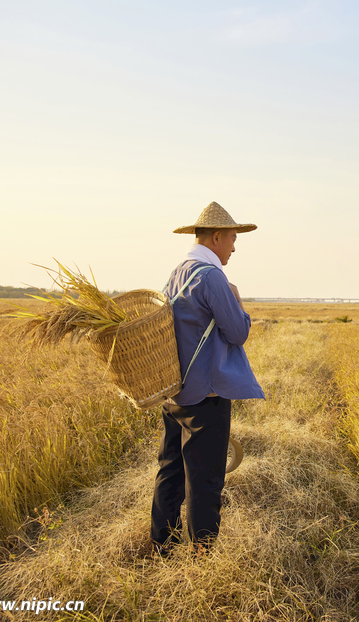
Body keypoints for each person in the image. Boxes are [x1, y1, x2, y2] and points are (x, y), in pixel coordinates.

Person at [150, 201, 265, 556]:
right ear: (215, 237)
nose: (234, 246)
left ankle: (162, 547)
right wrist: (237, 299)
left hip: (175, 389)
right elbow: (237, 332)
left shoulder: (178, 271)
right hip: (207, 393)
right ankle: (203, 557)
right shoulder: (213, 277)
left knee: (171, 469)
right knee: (205, 479)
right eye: (232, 238)